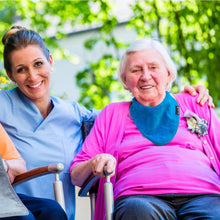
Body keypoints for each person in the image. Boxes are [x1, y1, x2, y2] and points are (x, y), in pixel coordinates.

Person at [0, 26, 212, 220]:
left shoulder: (75, 113)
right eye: (21, 69)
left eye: (38, 64)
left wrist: (184, 99)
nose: (33, 75)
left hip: (55, 212)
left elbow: (140, 109)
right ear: (10, 75)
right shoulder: (3, 103)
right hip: (13, 206)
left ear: (51, 62)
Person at [70, 38, 220, 220]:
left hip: (205, 195)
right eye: (136, 70)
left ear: (169, 73)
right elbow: (76, 175)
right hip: (139, 199)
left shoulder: (196, 104)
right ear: (125, 80)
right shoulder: (112, 114)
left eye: (153, 67)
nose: (145, 76)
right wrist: (95, 162)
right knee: (137, 213)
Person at [0, 123, 67, 220]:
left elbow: (20, 166)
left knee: (52, 210)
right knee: (23, 217)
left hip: (3, 196)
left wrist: (5, 165)